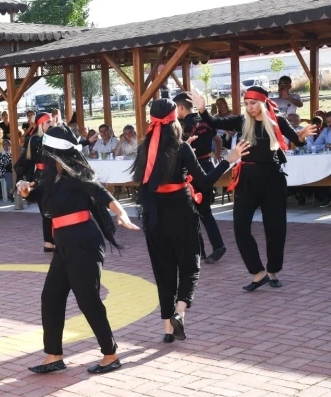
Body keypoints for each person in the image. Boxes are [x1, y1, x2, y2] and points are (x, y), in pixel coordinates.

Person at [16, 125, 139, 374]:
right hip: (64, 245)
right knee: (50, 297)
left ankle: (111, 354)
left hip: (84, 243)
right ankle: (54, 355)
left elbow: (102, 194)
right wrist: (25, 189)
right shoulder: (52, 179)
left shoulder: (77, 175)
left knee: (88, 300)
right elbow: (35, 195)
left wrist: (121, 213)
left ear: (54, 152)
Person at [130, 98, 247, 343]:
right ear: (175, 120)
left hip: (154, 215)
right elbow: (204, 182)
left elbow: (146, 178)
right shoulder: (181, 148)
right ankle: (179, 312)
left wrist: (186, 151)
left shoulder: (145, 147)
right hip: (181, 211)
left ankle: (167, 330)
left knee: (164, 272)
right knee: (190, 264)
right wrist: (230, 158)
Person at [189, 88, 315, 290]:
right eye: (247, 103)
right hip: (246, 179)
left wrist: (301, 136)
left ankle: (272, 270)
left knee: (275, 228)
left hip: (272, 179)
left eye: (253, 103)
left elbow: (297, 142)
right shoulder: (241, 120)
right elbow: (214, 122)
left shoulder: (277, 121)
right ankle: (258, 272)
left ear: (263, 103)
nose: (249, 107)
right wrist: (202, 108)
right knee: (239, 226)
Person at [174, 92, 227, 263]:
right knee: (203, 211)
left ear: (181, 107)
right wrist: (217, 153)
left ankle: (207, 249)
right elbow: (218, 139)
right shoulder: (205, 120)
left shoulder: (181, 126)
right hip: (207, 165)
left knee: (193, 212)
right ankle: (206, 249)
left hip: (191, 170)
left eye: (176, 108)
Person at [15, 112, 55, 252]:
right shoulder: (36, 140)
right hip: (41, 178)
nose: (52, 124)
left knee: (54, 210)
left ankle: (51, 241)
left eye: (52, 122)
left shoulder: (49, 138)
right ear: (41, 125)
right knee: (46, 212)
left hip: (51, 176)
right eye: (48, 122)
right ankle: (49, 242)